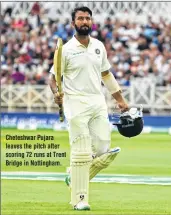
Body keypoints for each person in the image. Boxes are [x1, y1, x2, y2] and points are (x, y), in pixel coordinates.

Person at [49, 6, 128, 211]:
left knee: (103, 148)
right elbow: (53, 78)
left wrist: (120, 99)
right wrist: (56, 93)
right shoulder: (65, 49)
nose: (84, 21)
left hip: (97, 101)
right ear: (73, 23)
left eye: (87, 18)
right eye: (81, 18)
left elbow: (106, 75)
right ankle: (79, 199)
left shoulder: (99, 46)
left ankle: (73, 176)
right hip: (75, 102)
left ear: (91, 22)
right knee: (82, 150)